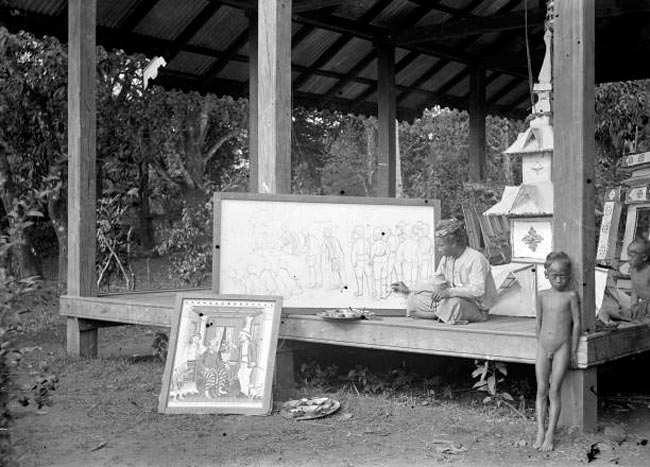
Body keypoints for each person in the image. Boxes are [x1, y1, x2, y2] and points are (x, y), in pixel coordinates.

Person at [390, 218, 498, 324]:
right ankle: (444, 315)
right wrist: (409, 289)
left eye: (441, 245)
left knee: (454, 304)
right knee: (413, 299)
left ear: (454, 244)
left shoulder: (476, 259)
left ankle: (443, 314)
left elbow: (477, 291)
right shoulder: (446, 259)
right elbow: (434, 283)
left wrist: (448, 292)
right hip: (449, 300)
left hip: (476, 307)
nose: (439, 249)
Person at [534, 251, 580, 452]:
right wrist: (540, 344)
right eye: (555, 276)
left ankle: (551, 434)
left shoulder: (571, 296)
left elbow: (577, 324)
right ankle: (540, 431)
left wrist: (573, 351)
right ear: (546, 275)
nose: (559, 279)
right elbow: (538, 321)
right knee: (541, 390)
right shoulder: (542, 295)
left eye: (563, 275)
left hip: (562, 347)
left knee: (554, 390)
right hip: (543, 347)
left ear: (568, 275)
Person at [599, 239, 650, 325]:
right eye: (628, 255)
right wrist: (633, 308)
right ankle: (609, 324)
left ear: (644, 257)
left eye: (632, 256)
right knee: (604, 311)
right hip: (640, 307)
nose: (628, 259)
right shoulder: (633, 270)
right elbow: (634, 291)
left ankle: (640, 323)